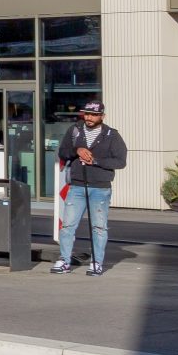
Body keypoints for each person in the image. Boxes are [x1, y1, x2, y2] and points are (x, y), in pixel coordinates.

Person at [55, 100, 127, 276]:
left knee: (99, 227)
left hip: (100, 188)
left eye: (94, 114)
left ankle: (97, 263)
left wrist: (96, 161)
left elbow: (120, 161)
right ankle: (64, 260)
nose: (89, 117)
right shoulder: (75, 131)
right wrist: (77, 150)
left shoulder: (111, 135)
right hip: (77, 185)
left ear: (102, 116)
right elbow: (63, 152)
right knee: (67, 226)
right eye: (87, 114)